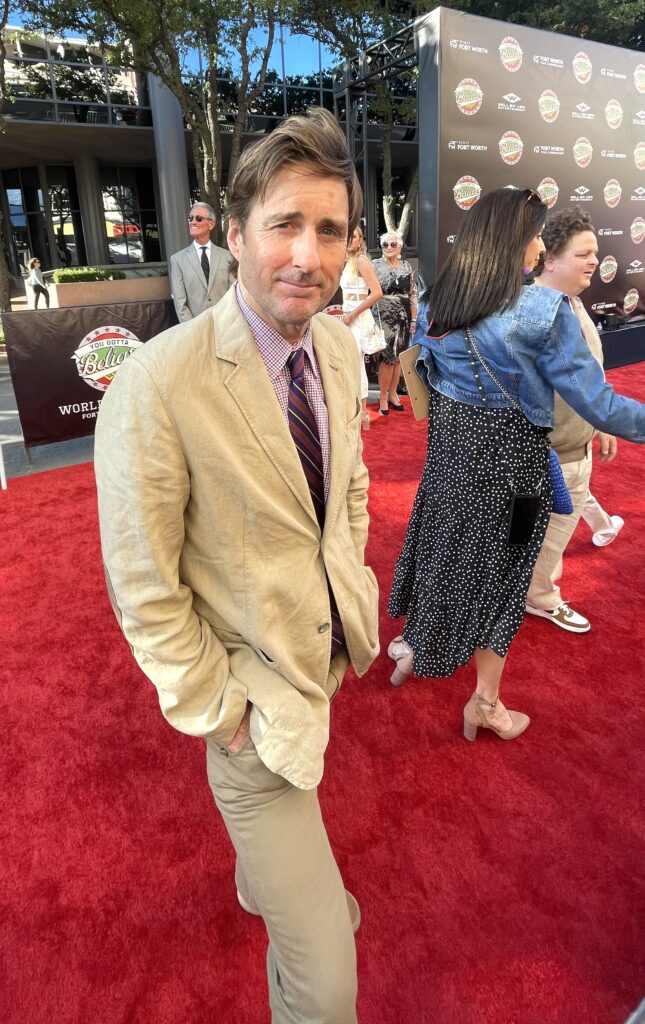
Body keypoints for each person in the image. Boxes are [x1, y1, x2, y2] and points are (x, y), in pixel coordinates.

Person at [94, 107, 379, 1024]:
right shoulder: (158, 381)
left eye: (328, 230)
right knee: (329, 990)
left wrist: (351, 588)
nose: (306, 254)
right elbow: (143, 584)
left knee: (305, 892)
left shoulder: (335, 346)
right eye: (285, 224)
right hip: (251, 708)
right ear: (239, 228)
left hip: (324, 659)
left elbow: (351, 492)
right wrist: (223, 715)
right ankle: (281, 878)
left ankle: (266, 878)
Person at [386, 187, 645, 742]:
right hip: (513, 467)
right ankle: (485, 703)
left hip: (451, 456)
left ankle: (413, 646)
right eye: (533, 235)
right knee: (502, 585)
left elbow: (422, 377)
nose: (536, 246)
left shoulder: (436, 301)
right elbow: (598, 403)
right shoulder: (540, 312)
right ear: (514, 240)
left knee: (442, 549)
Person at [525, 209, 622, 633]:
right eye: (584, 253)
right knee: (543, 542)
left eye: (595, 253)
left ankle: (535, 593)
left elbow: (587, 377)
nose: (594, 261)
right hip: (551, 458)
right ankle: (540, 599)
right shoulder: (532, 316)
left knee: (553, 538)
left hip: (574, 450)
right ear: (549, 258)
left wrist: (598, 422)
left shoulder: (573, 302)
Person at [340, 225, 383, 430]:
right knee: (350, 362)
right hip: (347, 316)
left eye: (354, 236)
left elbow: (376, 293)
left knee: (356, 364)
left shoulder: (361, 260)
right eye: (347, 236)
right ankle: (356, 411)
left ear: (360, 240)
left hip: (357, 318)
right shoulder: (346, 261)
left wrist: (353, 314)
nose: (350, 240)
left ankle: (363, 414)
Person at [372, 231, 417, 415]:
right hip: (383, 316)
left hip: (403, 316)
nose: (389, 248)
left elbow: (412, 294)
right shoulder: (374, 265)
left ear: (399, 247)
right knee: (387, 358)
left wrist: (414, 318)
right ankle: (382, 396)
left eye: (393, 244)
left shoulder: (407, 266)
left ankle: (393, 394)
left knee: (398, 358)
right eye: (385, 245)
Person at [169, 201, 233, 322]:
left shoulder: (228, 257)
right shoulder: (177, 260)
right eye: (190, 218)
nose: (193, 222)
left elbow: (233, 296)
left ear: (211, 224)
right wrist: (193, 328)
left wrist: (225, 321)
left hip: (224, 325)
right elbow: (180, 302)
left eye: (198, 218)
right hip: (195, 330)